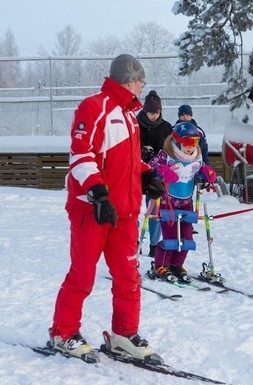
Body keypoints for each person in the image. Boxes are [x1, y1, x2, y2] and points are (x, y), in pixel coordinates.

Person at [49, 54, 165, 362]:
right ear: (129, 79)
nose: (142, 87)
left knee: (128, 276)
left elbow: (126, 160)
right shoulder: (95, 107)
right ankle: (63, 332)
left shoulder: (129, 117)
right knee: (83, 275)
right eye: (141, 81)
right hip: (93, 209)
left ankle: (123, 335)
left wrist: (148, 174)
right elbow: (81, 155)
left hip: (125, 212)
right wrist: (98, 194)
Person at [148, 122, 216, 282]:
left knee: (187, 238)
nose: (191, 147)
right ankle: (161, 265)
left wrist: (208, 172)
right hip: (168, 203)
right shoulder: (167, 154)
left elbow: (201, 168)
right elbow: (152, 165)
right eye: (187, 142)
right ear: (178, 141)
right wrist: (164, 171)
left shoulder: (196, 156)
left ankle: (176, 264)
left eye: (194, 142)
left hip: (186, 203)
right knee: (171, 238)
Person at [137, 90, 173, 258]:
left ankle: (154, 244)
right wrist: (141, 151)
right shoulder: (135, 124)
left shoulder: (166, 127)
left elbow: (169, 148)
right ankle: (134, 241)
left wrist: (158, 157)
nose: (153, 116)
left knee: (154, 210)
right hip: (137, 170)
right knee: (132, 209)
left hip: (157, 173)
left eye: (156, 112)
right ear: (145, 111)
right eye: (151, 112)